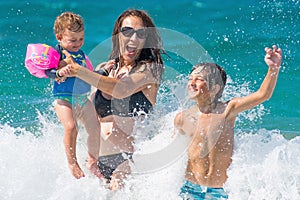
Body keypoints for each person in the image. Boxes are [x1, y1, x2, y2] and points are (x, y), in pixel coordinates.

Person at [62, 9, 165, 190]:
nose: (133, 38)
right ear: (118, 35)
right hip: (97, 161)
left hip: (127, 161)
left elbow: (121, 89)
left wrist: (79, 71)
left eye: (140, 33)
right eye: (127, 31)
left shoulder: (149, 70)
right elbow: (87, 114)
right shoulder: (105, 69)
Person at [174, 45, 282, 199]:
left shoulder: (227, 110)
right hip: (190, 188)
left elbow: (263, 94)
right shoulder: (182, 118)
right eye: (190, 79)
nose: (192, 82)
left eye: (199, 79)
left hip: (219, 192)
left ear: (215, 88)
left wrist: (273, 69)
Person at [45, 12, 101, 179]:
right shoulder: (57, 52)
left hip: (82, 98)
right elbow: (47, 71)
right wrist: (59, 72)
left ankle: (92, 161)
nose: (77, 43)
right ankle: (72, 162)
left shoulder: (82, 55)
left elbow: (90, 74)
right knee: (71, 127)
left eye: (81, 39)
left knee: (95, 127)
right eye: (73, 40)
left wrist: (106, 70)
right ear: (60, 37)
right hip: (64, 100)